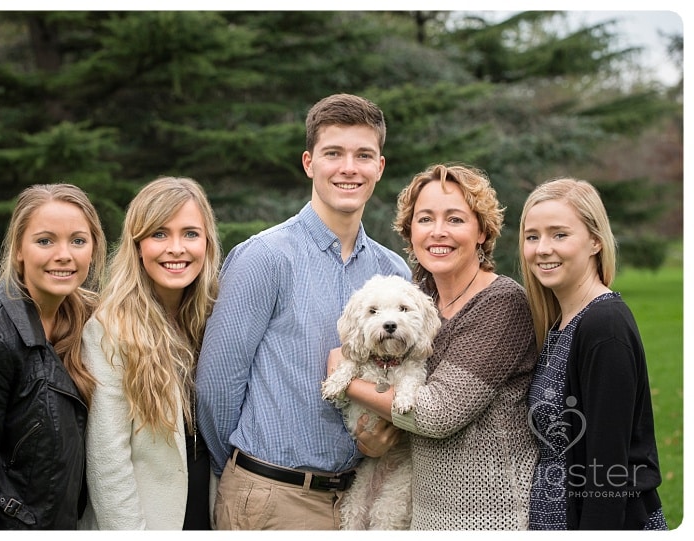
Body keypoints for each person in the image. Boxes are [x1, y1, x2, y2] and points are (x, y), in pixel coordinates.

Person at [195, 93, 411, 530]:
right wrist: (246, 473)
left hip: (361, 501)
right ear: (310, 162)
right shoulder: (264, 257)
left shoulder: (393, 271)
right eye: (334, 153)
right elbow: (217, 385)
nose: (349, 167)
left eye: (363, 155)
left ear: (379, 167)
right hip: (272, 498)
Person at [328, 163, 539, 530]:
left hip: (489, 517)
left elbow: (436, 414)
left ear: (482, 232)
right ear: (410, 232)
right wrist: (371, 440)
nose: (438, 232)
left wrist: (345, 380)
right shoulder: (420, 303)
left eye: (455, 219)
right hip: (426, 517)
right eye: (425, 219)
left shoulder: (501, 304)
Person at [0, 183, 106, 529]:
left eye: (78, 240)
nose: (64, 254)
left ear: (93, 249)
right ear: (18, 249)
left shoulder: (93, 321)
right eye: (45, 241)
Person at [519, 178, 667, 530]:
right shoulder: (557, 323)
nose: (542, 249)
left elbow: (609, 472)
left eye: (560, 234)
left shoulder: (604, 326)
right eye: (532, 236)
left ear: (595, 241)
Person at [78, 176, 221, 530]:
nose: (176, 248)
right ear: (138, 244)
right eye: (159, 234)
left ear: (207, 242)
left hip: (209, 513)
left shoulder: (216, 318)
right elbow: (106, 458)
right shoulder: (110, 329)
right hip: (147, 520)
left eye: (190, 233)